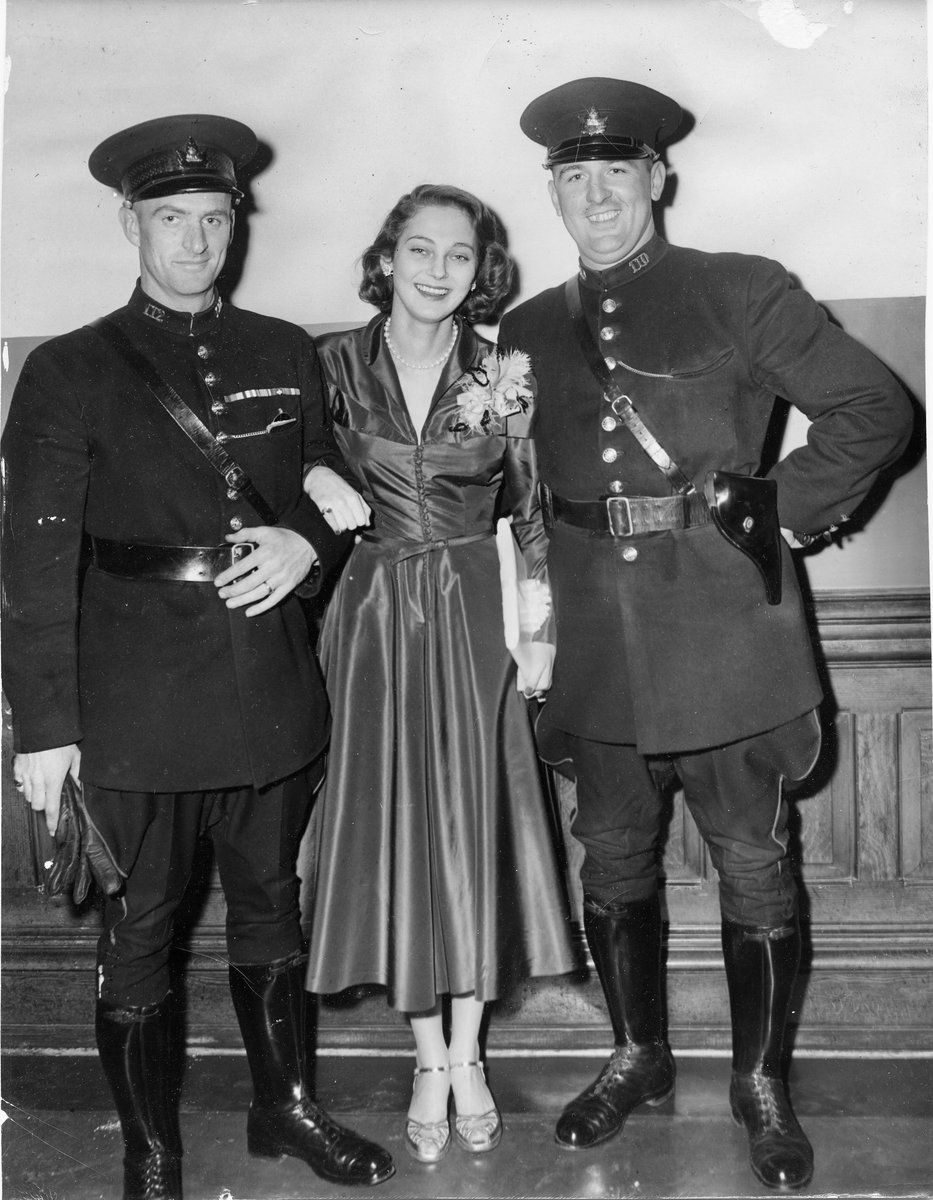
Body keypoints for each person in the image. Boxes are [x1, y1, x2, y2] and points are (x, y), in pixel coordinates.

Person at [496, 78, 913, 1191]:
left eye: (615, 176)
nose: (596, 200)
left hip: (729, 633)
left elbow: (878, 408)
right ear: (554, 191)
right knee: (613, 857)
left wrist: (780, 507)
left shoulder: (739, 290)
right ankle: (633, 1053)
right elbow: (495, 476)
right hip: (592, 643)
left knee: (755, 866)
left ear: (658, 179)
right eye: (574, 180)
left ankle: (761, 1083)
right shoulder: (525, 329)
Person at [1, 114, 394, 1199]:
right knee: (141, 938)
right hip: (134, 705)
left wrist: (303, 544)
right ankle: (154, 1153)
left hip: (269, 688)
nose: (195, 242)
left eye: (213, 220)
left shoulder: (281, 351)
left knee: (275, 912)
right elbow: (32, 565)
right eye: (171, 219)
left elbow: (325, 477)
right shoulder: (68, 370)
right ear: (131, 224)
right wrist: (46, 726)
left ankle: (287, 1111)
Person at [299, 184, 579, 1164]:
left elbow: (533, 518)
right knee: (398, 835)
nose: (436, 271)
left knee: (470, 832)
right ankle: (424, 1056)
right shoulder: (330, 364)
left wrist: (538, 643)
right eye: (419, 250)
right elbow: (285, 458)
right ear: (387, 258)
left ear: (480, 270)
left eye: (458, 256)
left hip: (472, 621)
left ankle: (468, 1056)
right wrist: (314, 474)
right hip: (372, 619)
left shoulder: (504, 374)